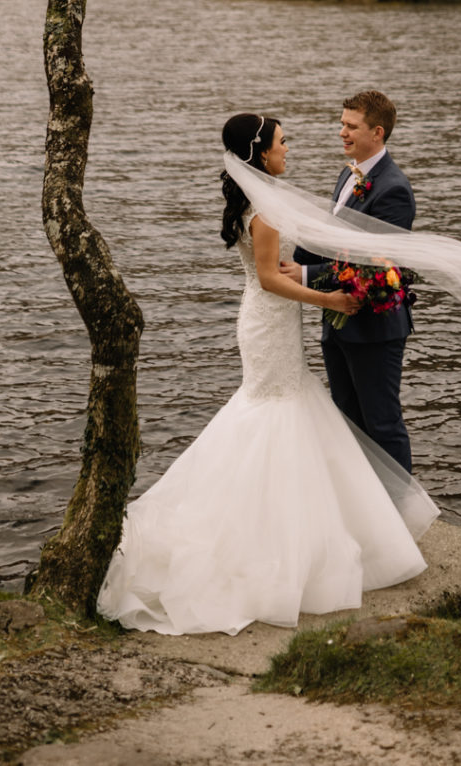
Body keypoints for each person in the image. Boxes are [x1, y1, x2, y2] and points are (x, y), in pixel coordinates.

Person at [95, 112, 439, 636]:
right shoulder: (266, 210)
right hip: (271, 321)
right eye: (281, 142)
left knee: (279, 412)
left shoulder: (253, 201)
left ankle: (294, 529)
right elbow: (268, 279)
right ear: (259, 152)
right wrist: (327, 296)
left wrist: (311, 278)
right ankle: (282, 542)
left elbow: (282, 269)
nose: (288, 148)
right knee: (276, 414)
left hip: (265, 323)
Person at [282, 89, 416, 472]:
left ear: (377, 132)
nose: (342, 132)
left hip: (375, 327)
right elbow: (330, 241)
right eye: (342, 124)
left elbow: (376, 265)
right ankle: (365, 509)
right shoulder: (348, 173)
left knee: (383, 424)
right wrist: (286, 258)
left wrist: (305, 276)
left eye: (351, 126)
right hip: (338, 322)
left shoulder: (394, 190)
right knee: (348, 423)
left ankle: (402, 517)